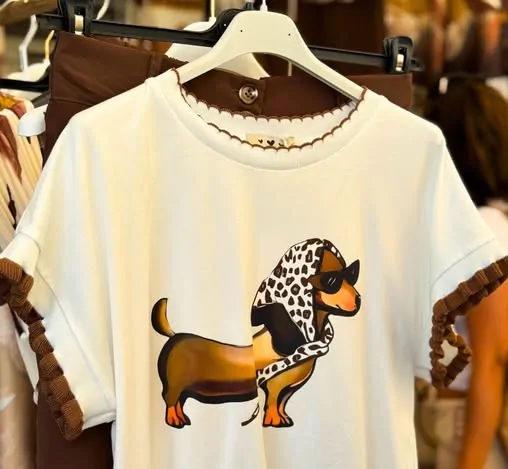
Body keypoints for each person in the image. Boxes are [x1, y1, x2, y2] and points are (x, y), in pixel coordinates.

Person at [424, 76, 508, 469]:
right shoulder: (486, 223)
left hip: (465, 427)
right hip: (451, 420)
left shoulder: (485, 229)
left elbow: (493, 359)